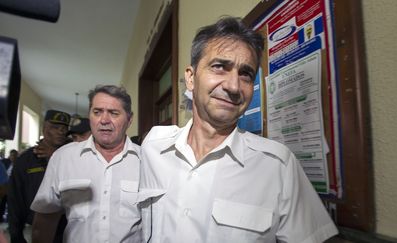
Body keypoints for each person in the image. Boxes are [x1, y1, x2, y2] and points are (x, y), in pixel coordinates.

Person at [140, 16, 338, 242]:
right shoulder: (154, 147)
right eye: (219, 67)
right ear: (191, 78)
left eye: (245, 74)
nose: (234, 86)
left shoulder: (277, 165)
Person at [31, 85, 142, 243]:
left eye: (113, 113)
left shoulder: (145, 161)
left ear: (129, 119)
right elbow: (44, 222)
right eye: (97, 112)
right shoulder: (63, 158)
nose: (104, 120)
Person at [8, 110, 70, 243]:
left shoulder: (72, 158)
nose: (61, 131)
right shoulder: (25, 160)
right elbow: (15, 199)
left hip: (68, 228)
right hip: (37, 228)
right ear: (44, 128)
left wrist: (55, 157)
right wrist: (15, 235)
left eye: (64, 128)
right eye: (55, 127)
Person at [0, 149, 18, 222]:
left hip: (12, 189)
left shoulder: (19, 166)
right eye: (11, 155)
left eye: (14, 155)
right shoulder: (7, 164)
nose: (12, 157)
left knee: (11, 206)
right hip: (7, 189)